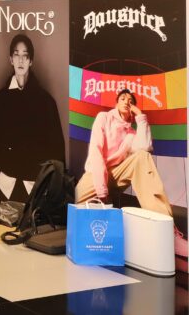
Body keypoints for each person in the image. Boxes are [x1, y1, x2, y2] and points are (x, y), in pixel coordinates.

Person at [75, 88, 188, 257]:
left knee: (141, 157)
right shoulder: (104, 118)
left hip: (115, 175)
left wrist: (140, 116)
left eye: (130, 101)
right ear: (116, 103)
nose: (127, 102)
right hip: (95, 177)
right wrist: (102, 190)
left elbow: (145, 148)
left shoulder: (131, 133)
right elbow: (96, 152)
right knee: (73, 209)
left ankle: (168, 233)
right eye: (123, 98)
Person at [0, 33, 65, 202]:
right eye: (16, 55)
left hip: (35, 185)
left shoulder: (46, 101)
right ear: (11, 59)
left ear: (31, 61)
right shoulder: (1, 99)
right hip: (6, 184)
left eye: (25, 55)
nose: (20, 60)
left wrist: (47, 184)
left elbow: (57, 148)